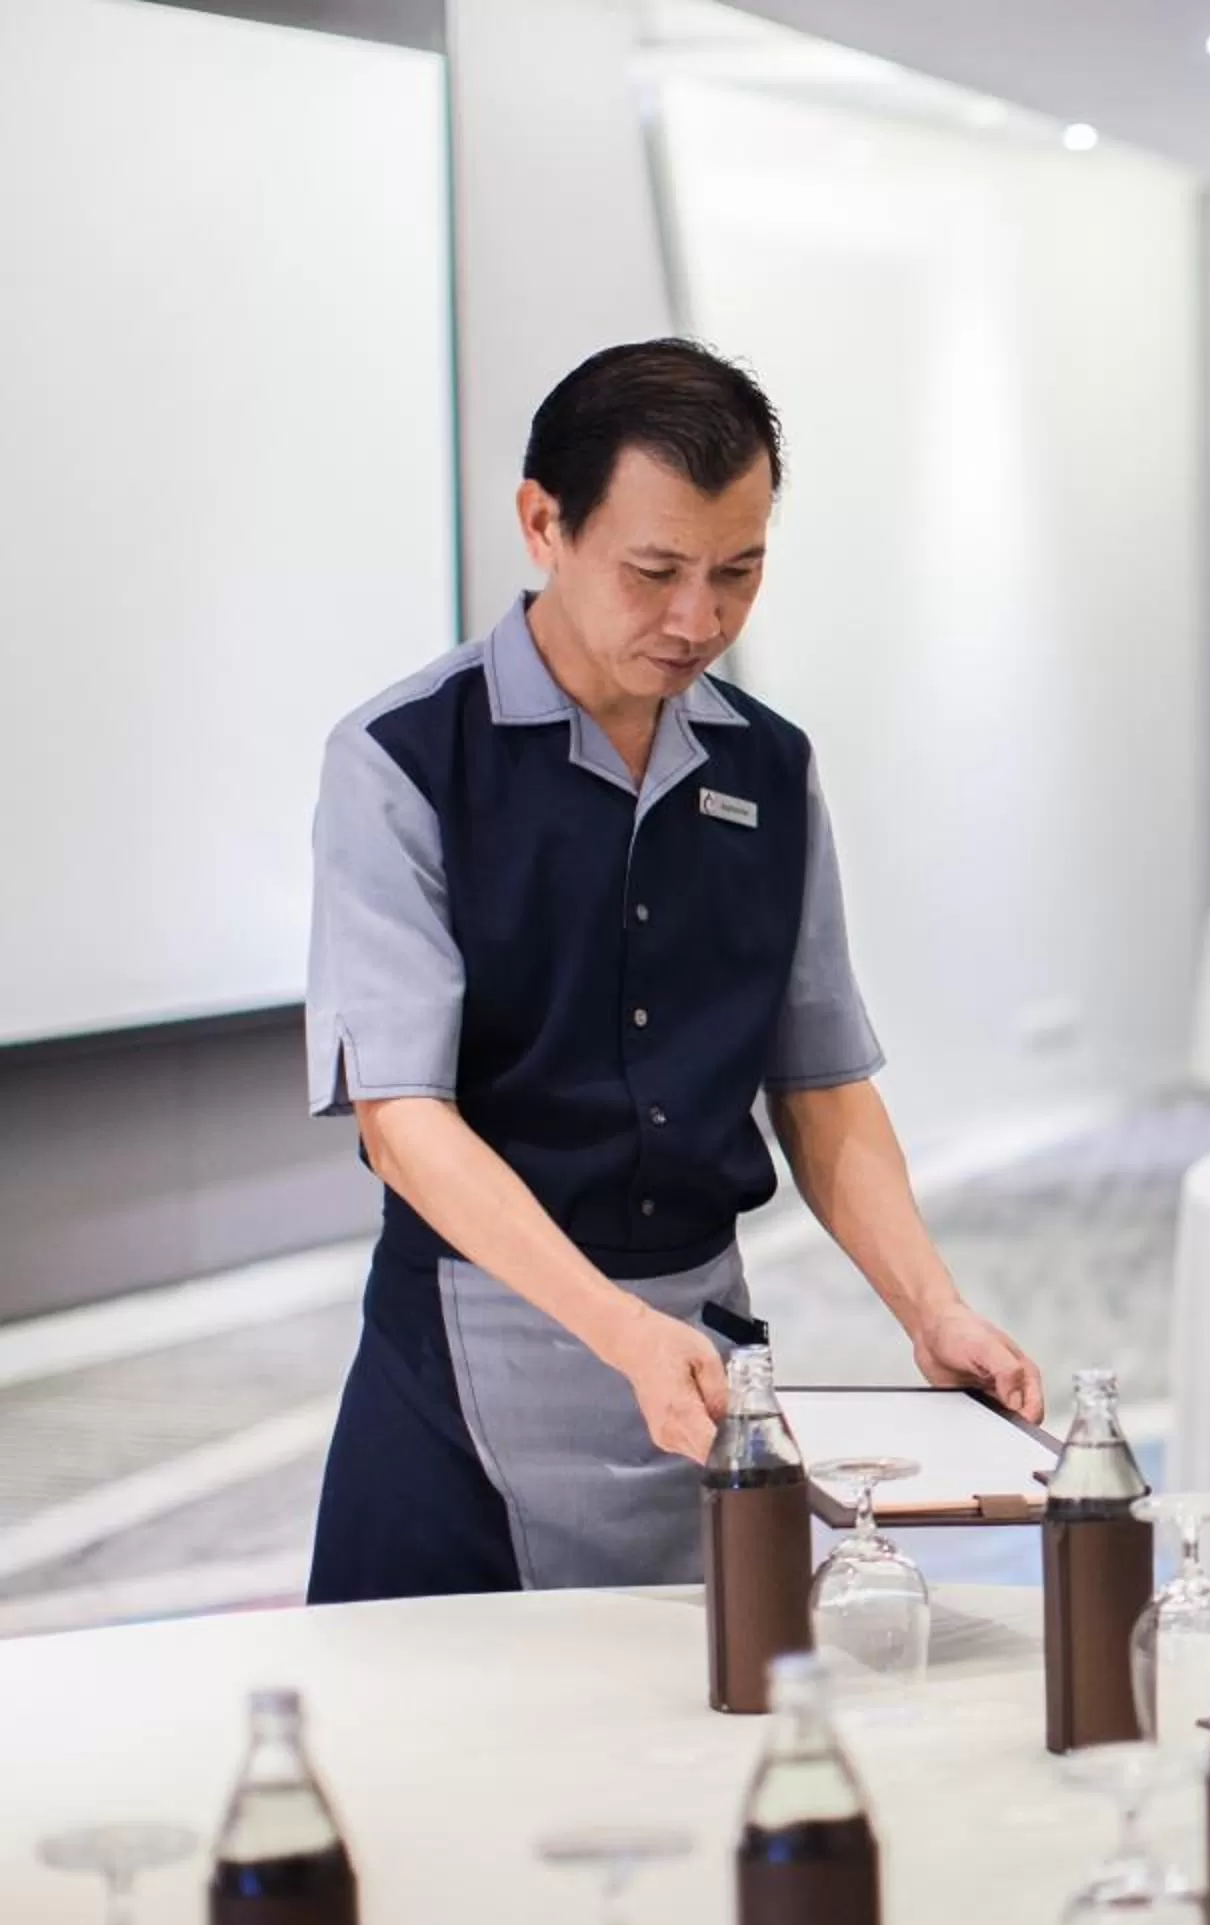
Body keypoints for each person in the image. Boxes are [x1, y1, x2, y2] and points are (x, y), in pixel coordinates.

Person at [302, 339, 1041, 1601]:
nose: (697, 619)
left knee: (720, 1727)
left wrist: (931, 1306)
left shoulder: (768, 763)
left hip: (703, 1352)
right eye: (654, 571)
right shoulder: (405, 758)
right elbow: (403, 1122)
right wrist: (617, 1327)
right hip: (476, 1342)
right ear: (545, 522)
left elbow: (820, 1085)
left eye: (737, 571)